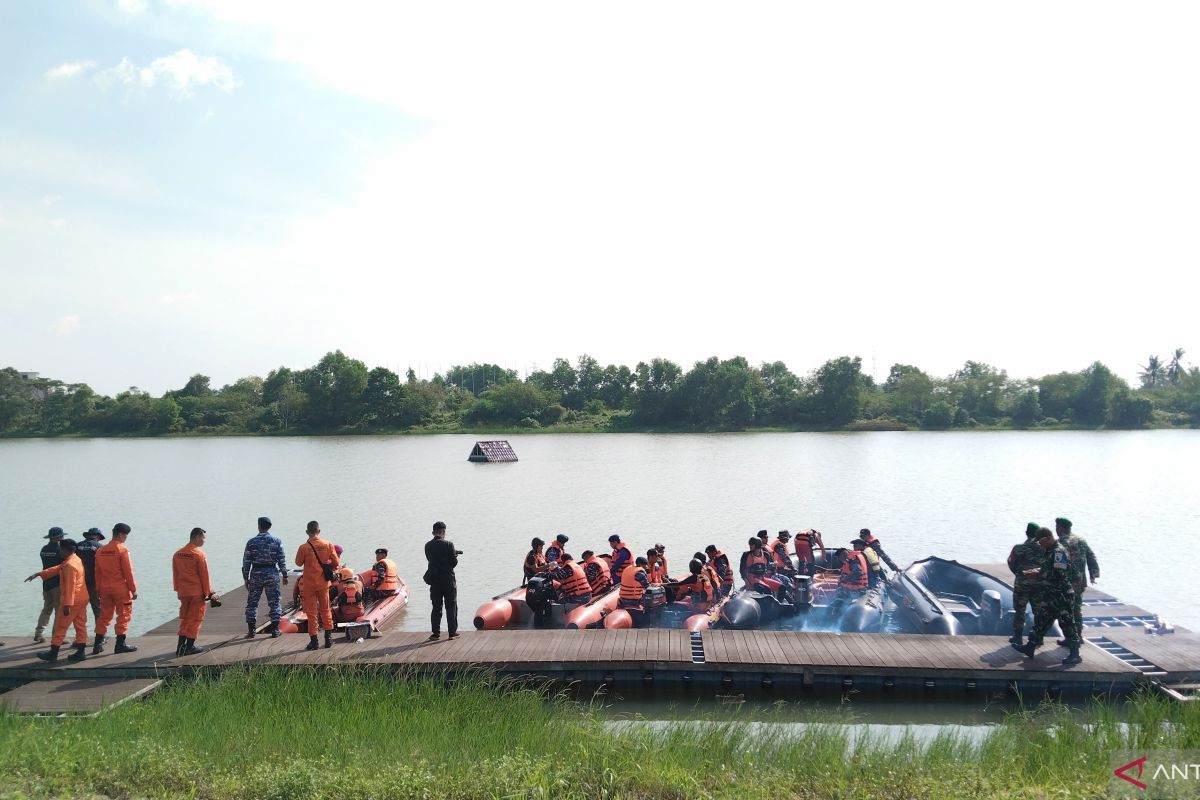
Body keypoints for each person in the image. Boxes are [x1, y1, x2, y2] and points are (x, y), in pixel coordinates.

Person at [1013, 528, 1081, 665]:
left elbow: (1059, 573)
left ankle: (1075, 654)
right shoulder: (1050, 551)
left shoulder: (1058, 552)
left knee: (1067, 623)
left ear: (1048, 539)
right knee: (1041, 620)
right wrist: (1037, 570)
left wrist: (1038, 575)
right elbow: (1050, 569)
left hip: (1061, 595)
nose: (1040, 545)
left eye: (1041, 542)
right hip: (1051, 594)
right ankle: (1030, 646)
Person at [24, 537, 90, 662]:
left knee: (60, 626)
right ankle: (81, 652)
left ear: (65, 550)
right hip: (82, 597)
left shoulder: (69, 565)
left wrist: (67, 605)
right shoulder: (75, 559)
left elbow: (70, 585)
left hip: (73, 600)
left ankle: (53, 653)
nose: (59, 551)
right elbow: (59, 568)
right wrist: (39, 574)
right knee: (80, 625)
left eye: (60, 548)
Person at [92, 522, 138, 655]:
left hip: (105, 588)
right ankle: (120, 645)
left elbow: (97, 572)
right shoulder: (122, 550)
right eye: (126, 535)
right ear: (121, 534)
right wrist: (133, 589)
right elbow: (128, 572)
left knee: (104, 616)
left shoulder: (101, 550)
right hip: (120, 589)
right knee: (123, 616)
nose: (126, 538)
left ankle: (97, 644)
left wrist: (99, 589)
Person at [295, 520, 340, 651]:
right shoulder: (328, 544)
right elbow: (336, 562)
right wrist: (326, 561)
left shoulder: (303, 547)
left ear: (307, 532)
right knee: (326, 610)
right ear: (319, 531)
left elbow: (298, 563)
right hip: (323, 584)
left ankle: (314, 642)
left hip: (309, 584)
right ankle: (328, 639)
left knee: (311, 613)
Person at [1055, 517, 1099, 648]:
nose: (1056, 530)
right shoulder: (1081, 540)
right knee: (1076, 609)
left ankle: (1070, 637)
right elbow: (1091, 556)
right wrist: (1093, 574)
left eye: (1057, 527)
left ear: (1061, 528)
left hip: (1066, 583)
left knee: (1064, 612)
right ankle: (1078, 636)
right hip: (1079, 582)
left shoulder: (1061, 543)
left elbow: (1057, 565)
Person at [173, 527, 217, 656]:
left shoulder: (178, 553)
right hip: (196, 592)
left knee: (185, 619)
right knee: (196, 619)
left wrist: (178, 590)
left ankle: (180, 647)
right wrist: (209, 593)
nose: (204, 541)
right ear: (197, 537)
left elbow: (175, 574)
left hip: (183, 592)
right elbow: (204, 576)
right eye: (203, 538)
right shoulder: (198, 554)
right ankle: (190, 646)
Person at [242, 516, 288, 639]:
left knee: (252, 603)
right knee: (274, 602)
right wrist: (284, 574)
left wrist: (246, 578)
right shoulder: (276, 541)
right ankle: (275, 630)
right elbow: (281, 560)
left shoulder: (251, 542)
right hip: (271, 573)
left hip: (256, 573)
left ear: (258, 526)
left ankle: (251, 631)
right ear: (269, 527)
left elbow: (246, 562)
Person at [1006, 522, 1044, 645]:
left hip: (1022, 584)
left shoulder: (1018, 548)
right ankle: (1038, 638)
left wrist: (1019, 573)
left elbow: (1011, 562)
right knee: (1038, 611)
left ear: (1026, 533)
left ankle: (1018, 637)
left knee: (1020, 610)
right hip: (1038, 584)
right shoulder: (1044, 549)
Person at [424, 521, 459, 640]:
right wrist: (454, 555)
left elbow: (431, 559)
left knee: (436, 607)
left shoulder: (427, 545)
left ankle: (435, 633)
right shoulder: (449, 544)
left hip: (434, 580)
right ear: (443, 531)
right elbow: (453, 563)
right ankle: (452, 632)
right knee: (451, 606)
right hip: (448, 580)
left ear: (433, 532)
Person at [34, 527, 65, 643]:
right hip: (57, 583)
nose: (63, 538)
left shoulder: (44, 549)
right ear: (58, 538)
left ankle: (39, 633)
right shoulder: (60, 549)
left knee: (46, 609)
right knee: (59, 610)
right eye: (62, 536)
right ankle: (56, 637)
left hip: (46, 582)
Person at [76, 527, 104, 619]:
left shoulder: (77, 546)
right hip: (94, 582)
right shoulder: (100, 547)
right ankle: (100, 632)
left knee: (79, 608)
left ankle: (81, 632)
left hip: (79, 582)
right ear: (97, 536)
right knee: (97, 608)